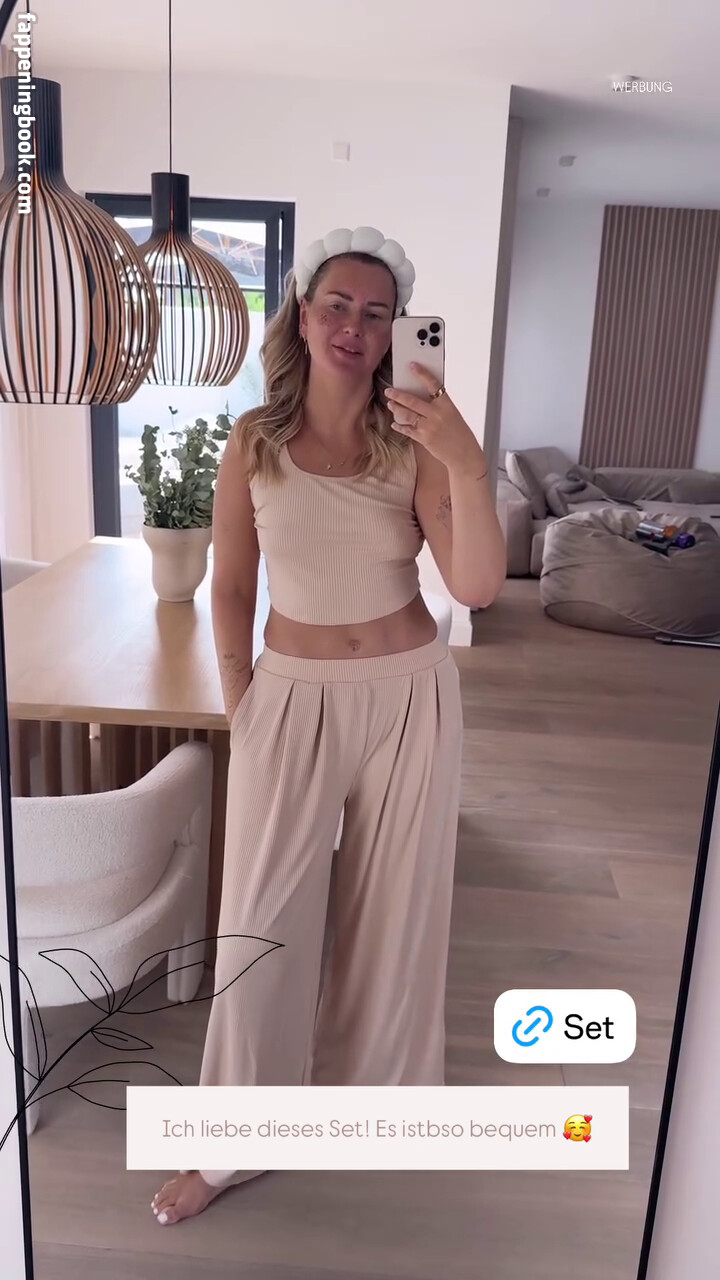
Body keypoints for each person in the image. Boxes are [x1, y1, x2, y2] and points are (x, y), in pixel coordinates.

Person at [151, 226, 506, 1225]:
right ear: (303, 315)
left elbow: (477, 585)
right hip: (290, 696)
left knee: (396, 913)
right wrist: (244, 702)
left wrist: (466, 461)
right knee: (261, 924)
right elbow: (231, 587)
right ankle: (236, 1140)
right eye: (337, 305)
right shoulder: (252, 442)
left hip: (408, 696)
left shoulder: (419, 446)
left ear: (396, 332)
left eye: (377, 312)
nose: (355, 325)